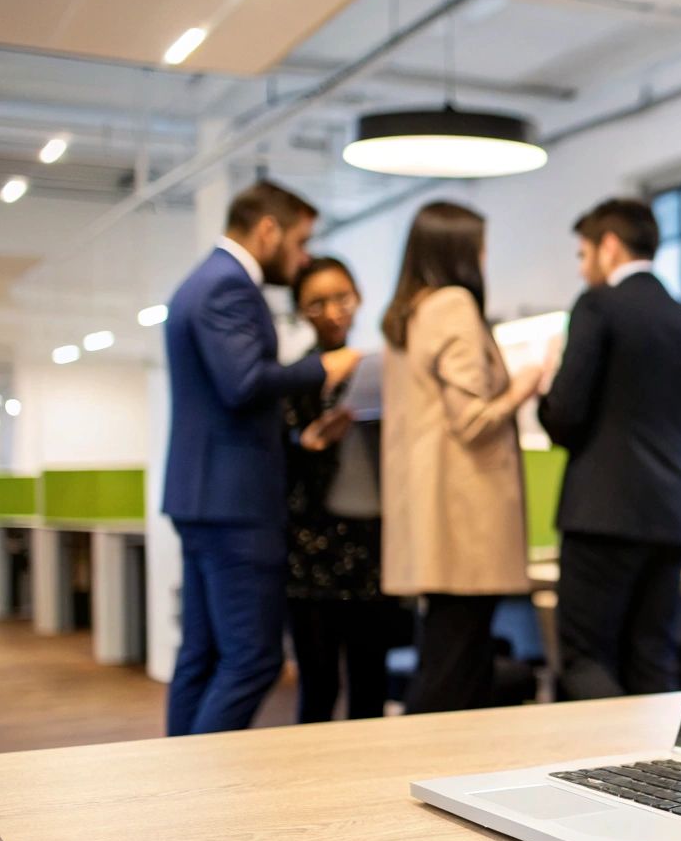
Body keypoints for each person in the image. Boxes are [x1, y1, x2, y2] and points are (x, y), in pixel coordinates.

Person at [161, 181, 360, 736]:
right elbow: (243, 383)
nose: (301, 259)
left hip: (204, 497)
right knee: (253, 659)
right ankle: (203, 783)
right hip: (235, 504)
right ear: (268, 230)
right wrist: (328, 367)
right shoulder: (229, 286)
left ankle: (178, 784)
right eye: (300, 243)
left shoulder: (201, 283)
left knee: (202, 654)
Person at [537, 198, 681, 700]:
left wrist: (546, 396)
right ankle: (655, 775)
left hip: (603, 515)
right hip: (673, 518)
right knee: (652, 659)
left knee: (585, 656)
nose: (582, 266)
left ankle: (596, 775)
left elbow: (567, 415)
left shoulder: (597, 305)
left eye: (583, 253)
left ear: (609, 247)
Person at [380, 202, 538, 713]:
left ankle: (434, 772)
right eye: (480, 246)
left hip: (433, 516)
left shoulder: (413, 312)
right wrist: (523, 387)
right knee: (456, 667)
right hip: (465, 518)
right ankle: (426, 774)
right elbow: (471, 420)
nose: (486, 257)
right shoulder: (453, 306)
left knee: (447, 656)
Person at [284, 257, 392, 722]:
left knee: (371, 682)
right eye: (316, 304)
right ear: (299, 311)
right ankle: (308, 790)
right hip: (312, 549)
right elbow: (278, 465)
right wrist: (310, 443)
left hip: (372, 541)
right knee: (319, 684)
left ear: (359, 298)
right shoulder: (294, 379)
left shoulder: (379, 369)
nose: (332, 312)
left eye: (342, 298)